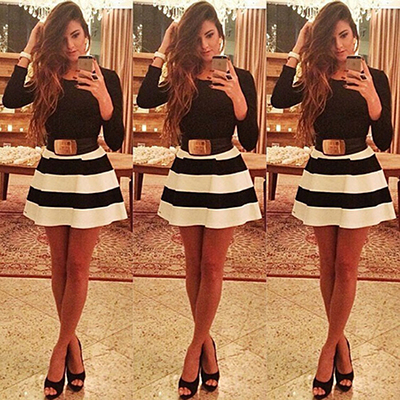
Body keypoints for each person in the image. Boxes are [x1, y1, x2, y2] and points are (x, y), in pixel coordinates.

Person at [137, 1, 261, 398]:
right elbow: (145, 98)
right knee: (193, 264)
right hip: (188, 169)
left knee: (212, 264)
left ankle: (193, 352)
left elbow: (252, 137)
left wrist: (238, 98)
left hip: (224, 170)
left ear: (221, 36)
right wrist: (164, 48)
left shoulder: (241, 76)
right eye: (197, 38)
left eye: (210, 35)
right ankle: (207, 346)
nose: (205, 45)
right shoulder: (181, 74)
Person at [3, 2, 127, 398]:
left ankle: (59, 352)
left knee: (77, 265)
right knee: (58, 265)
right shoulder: (47, 74)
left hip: (90, 171)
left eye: (76, 35)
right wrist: (29, 47)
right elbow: (10, 98)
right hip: (54, 169)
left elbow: (118, 137)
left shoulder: (106, 76)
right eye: (63, 38)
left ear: (87, 35)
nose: (71, 45)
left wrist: (105, 98)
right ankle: (73, 347)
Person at [271, 1, 395, 399]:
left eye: (345, 35)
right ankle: (342, 347)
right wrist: (298, 48)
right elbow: (279, 98)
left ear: (355, 36)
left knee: (346, 265)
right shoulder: (316, 74)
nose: (340, 45)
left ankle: (328, 351)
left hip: (358, 170)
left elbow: (385, 138)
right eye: (332, 37)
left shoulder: (375, 77)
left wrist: (373, 99)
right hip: (323, 169)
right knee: (327, 264)